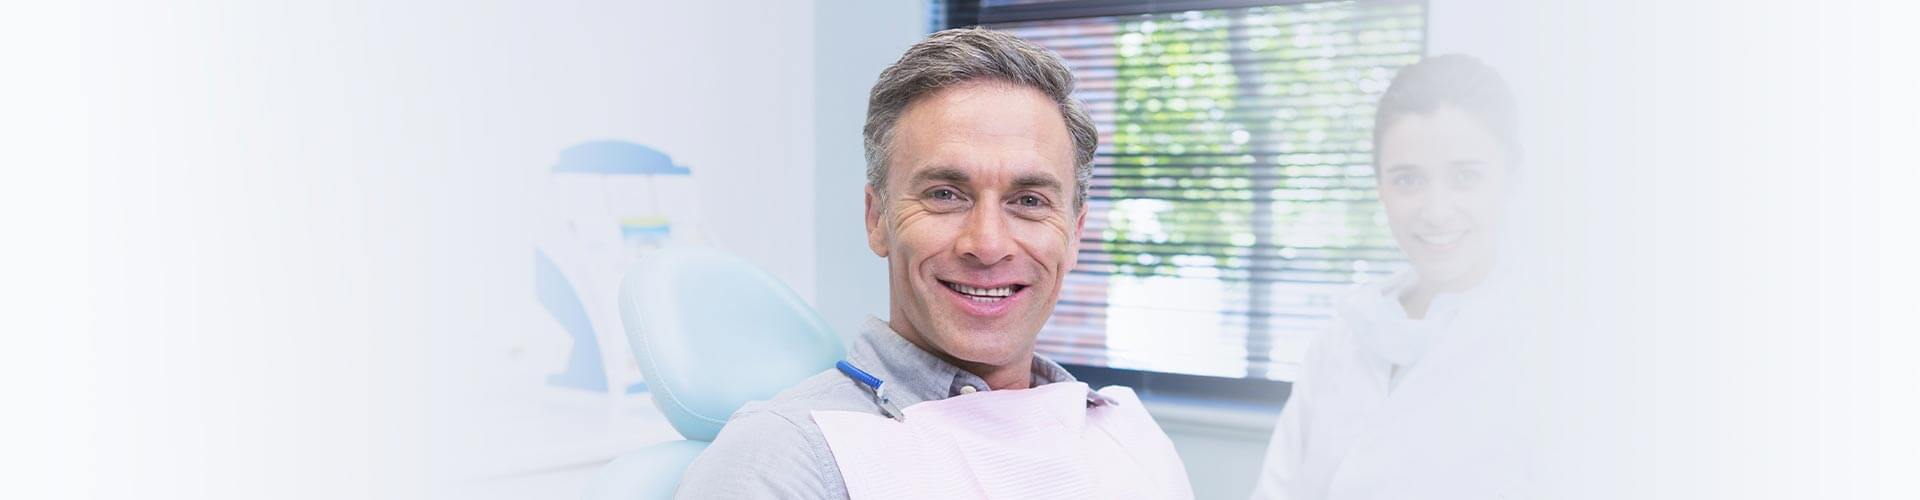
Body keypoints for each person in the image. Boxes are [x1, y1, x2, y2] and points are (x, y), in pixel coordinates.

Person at [674, 28, 1188, 499]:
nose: (987, 244)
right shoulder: (786, 458)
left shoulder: (1128, 435)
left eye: (1029, 201)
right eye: (945, 194)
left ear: (1073, 235)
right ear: (878, 220)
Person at [1250, 54, 1539, 499]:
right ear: (1381, 186)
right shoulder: (1342, 338)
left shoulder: (1551, 352)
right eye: (1408, 180)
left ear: (1512, 177)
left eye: (1466, 177)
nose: (1437, 210)